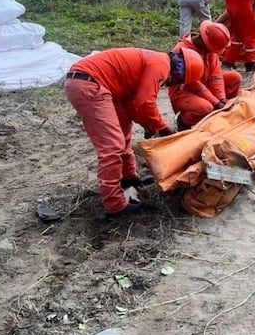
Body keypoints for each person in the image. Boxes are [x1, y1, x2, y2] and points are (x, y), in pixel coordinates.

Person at [65, 47, 204, 218]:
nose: (171, 84)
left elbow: (135, 105)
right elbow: (146, 103)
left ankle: (129, 178)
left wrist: (149, 125)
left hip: (101, 85)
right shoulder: (161, 65)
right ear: (180, 72)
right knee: (112, 147)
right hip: (90, 84)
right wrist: (164, 129)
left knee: (124, 130)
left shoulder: (157, 62)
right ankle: (115, 205)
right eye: (177, 81)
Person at [169, 21, 242, 129]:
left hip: (204, 85)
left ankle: (218, 115)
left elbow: (215, 76)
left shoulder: (209, 50)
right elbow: (194, 84)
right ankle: (182, 121)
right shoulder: (181, 52)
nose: (213, 52)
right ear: (205, 42)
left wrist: (221, 99)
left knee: (235, 78)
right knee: (205, 108)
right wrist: (215, 102)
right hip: (184, 91)